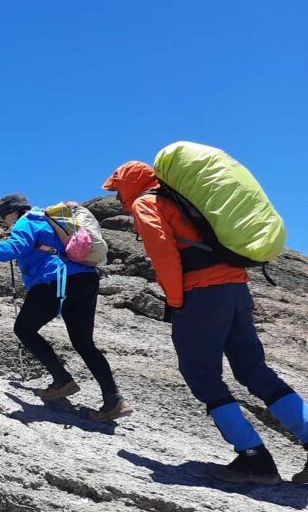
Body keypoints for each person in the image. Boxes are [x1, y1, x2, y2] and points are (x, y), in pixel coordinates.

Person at [104, 162, 308, 484]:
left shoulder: (147, 203)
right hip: (236, 288)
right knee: (254, 370)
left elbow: (164, 254)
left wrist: (175, 300)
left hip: (201, 293)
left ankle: (254, 459)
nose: (116, 198)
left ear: (130, 184)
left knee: (201, 374)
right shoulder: (184, 199)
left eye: (117, 189)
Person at [0, 193, 131, 421]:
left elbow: (12, 249)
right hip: (86, 279)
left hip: (55, 279)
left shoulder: (26, 221)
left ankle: (62, 380)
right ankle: (114, 400)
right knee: (83, 342)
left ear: (12, 212)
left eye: (5, 218)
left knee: (24, 329)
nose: (6, 223)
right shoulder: (51, 219)